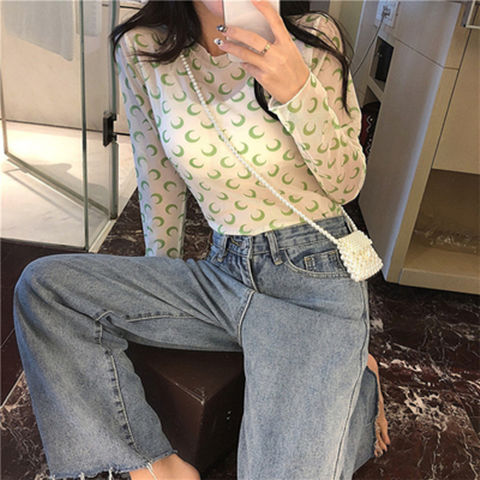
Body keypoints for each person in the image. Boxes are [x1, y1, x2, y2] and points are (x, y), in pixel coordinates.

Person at [13, 1, 390, 479]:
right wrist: (156, 289)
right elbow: (159, 181)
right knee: (47, 288)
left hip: (313, 278)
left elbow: (347, 185)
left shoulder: (312, 37)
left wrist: (297, 90)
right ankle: (153, 468)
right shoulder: (143, 47)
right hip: (223, 270)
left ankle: (353, 373)